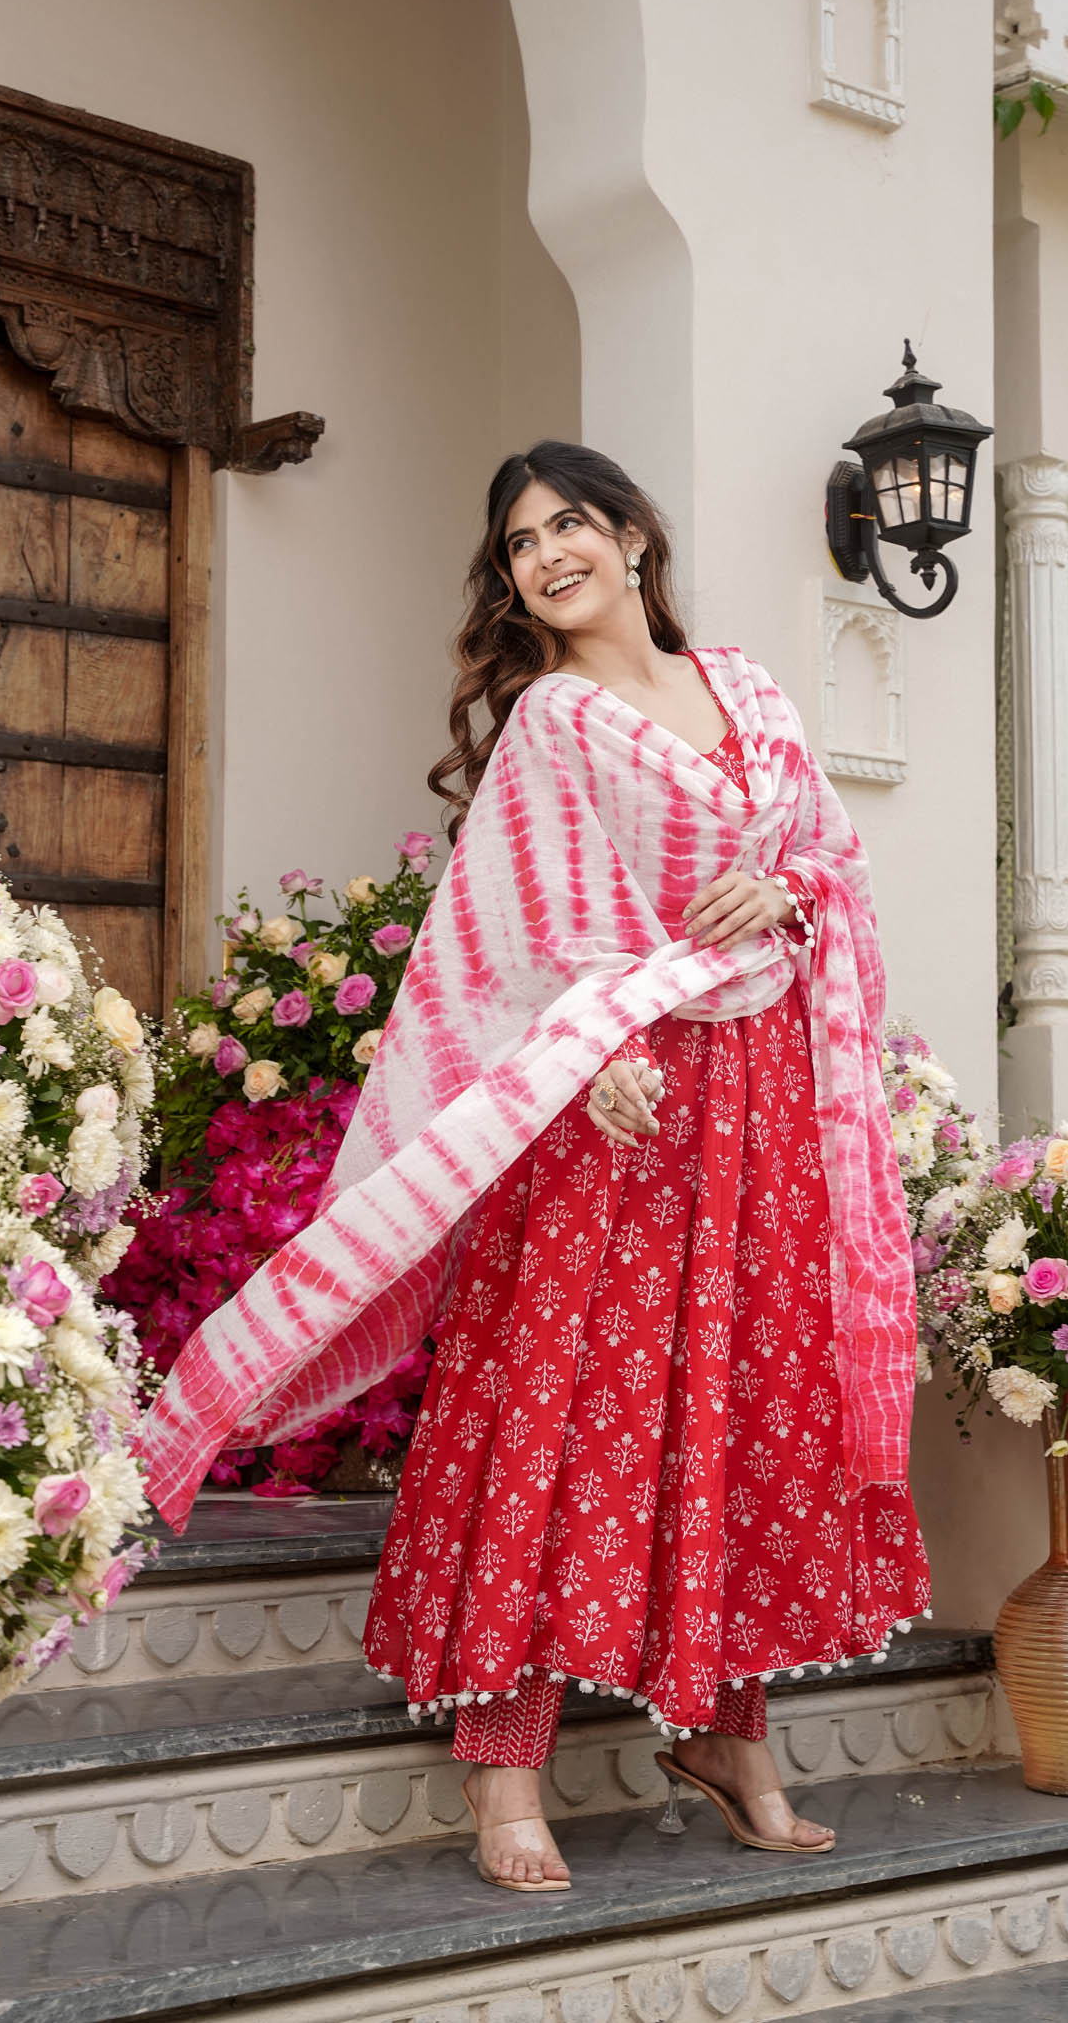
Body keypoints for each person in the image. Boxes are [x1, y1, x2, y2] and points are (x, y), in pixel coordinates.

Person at [139, 439, 928, 1896]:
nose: (549, 552)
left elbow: (830, 862)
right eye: (520, 543)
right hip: (608, 1100)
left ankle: (730, 1734)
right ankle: (506, 1767)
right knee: (563, 1404)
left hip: (759, 1101)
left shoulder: (748, 689)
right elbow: (518, 927)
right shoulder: (555, 723)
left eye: (571, 522)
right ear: (511, 581)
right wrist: (601, 1042)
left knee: (734, 1404)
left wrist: (796, 888)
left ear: (634, 537)